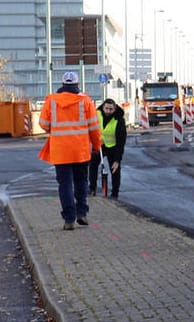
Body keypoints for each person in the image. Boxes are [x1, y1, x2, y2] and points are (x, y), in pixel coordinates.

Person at [39, 72, 101, 230]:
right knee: (81, 182)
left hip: (60, 151)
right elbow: (94, 127)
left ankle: (69, 219)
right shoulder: (85, 101)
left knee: (65, 185)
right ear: (77, 85)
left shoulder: (51, 100)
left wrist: (54, 129)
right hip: (80, 150)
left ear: (62, 85)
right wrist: (96, 146)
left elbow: (43, 123)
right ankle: (82, 212)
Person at [87, 97, 128, 199]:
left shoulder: (119, 119)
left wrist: (117, 160)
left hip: (113, 147)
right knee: (93, 165)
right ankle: (92, 188)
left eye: (111, 109)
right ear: (103, 107)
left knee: (114, 169)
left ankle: (114, 193)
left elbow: (121, 141)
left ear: (114, 109)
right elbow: (90, 128)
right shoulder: (97, 114)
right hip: (99, 145)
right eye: (106, 108)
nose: (108, 111)